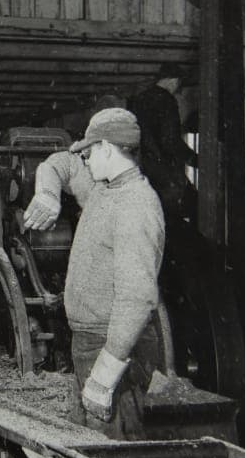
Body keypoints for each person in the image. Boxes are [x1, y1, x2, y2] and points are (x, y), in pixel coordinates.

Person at [21, 107, 165, 440]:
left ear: (105, 147)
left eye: (87, 151)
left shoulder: (135, 206)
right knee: (90, 449)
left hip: (114, 347)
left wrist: (105, 374)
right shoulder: (103, 189)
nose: (83, 159)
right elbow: (59, 164)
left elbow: (138, 297)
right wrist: (48, 193)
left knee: (114, 454)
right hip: (90, 342)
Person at [127, 63, 197, 224]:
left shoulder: (139, 99)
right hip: (163, 172)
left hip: (143, 168)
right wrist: (194, 160)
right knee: (170, 218)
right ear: (174, 81)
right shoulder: (166, 100)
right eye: (178, 85)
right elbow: (170, 140)